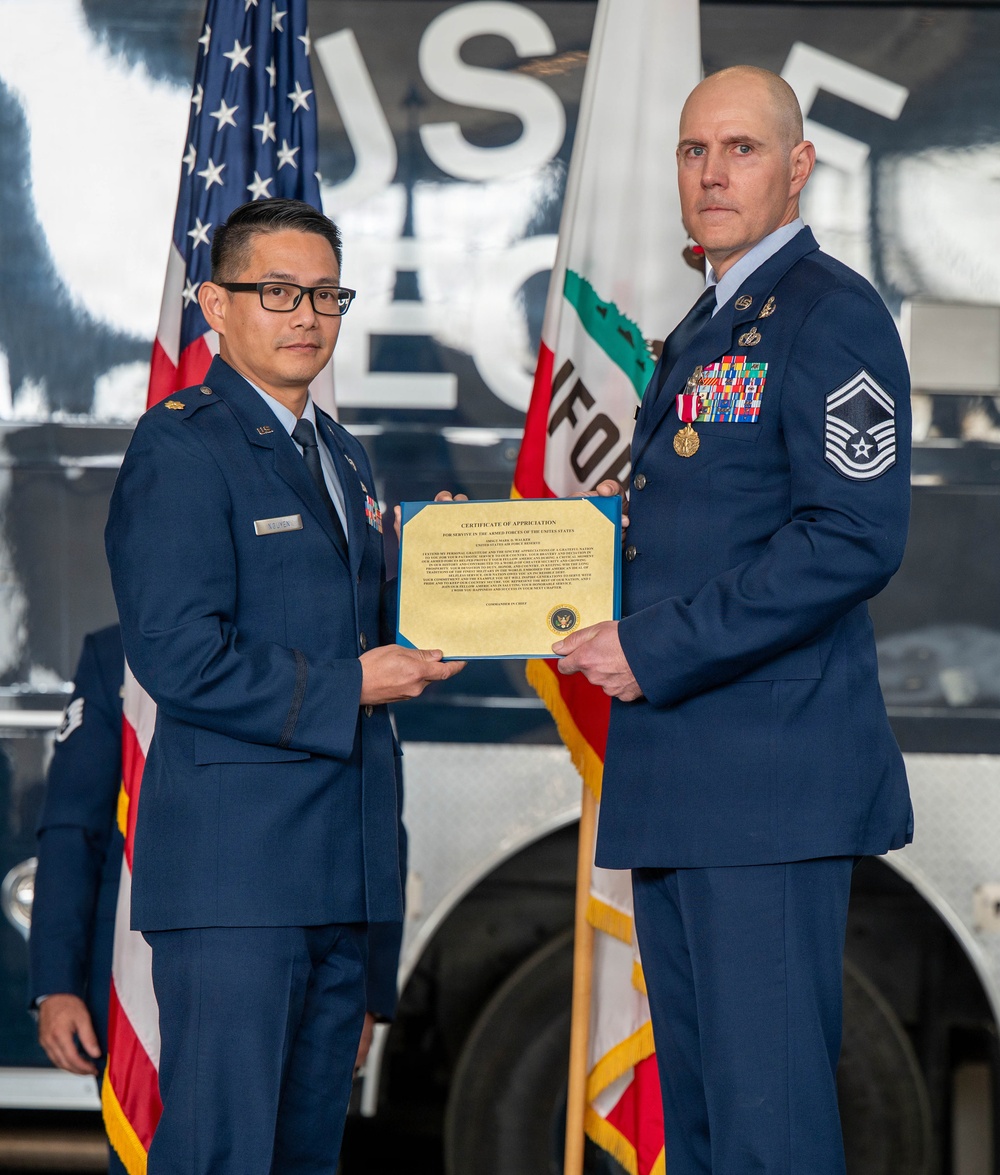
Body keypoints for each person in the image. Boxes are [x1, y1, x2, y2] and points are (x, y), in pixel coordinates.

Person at [554, 67, 912, 1174]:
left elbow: (852, 535)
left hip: (765, 790)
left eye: (742, 149)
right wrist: (530, 565)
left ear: (797, 167)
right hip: (687, 783)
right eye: (693, 150)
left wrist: (649, 644)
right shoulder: (711, 318)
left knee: (771, 1132)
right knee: (708, 1131)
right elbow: (690, 528)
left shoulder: (827, 313)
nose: (712, 173)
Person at [104, 198, 461, 1174]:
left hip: (337, 877)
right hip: (238, 884)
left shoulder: (341, 452)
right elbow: (178, 655)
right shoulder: (180, 446)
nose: (306, 314)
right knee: (221, 1153)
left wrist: (457, 570)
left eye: (325, 293)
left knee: (306, 1154)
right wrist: (355, 680)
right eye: (277, 291)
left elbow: (364, 621)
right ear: (216, 304)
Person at [29, 625, 127, 1175]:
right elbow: (73, 830)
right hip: (131, 983)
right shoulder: (115, 654)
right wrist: (58, 985)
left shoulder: (308, 643)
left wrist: (366, 995)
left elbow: (369, 821)